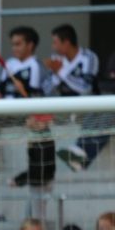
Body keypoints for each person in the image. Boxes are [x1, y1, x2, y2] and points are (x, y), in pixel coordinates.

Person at [0, 26, 55, 189]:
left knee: (41, 143)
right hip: (5, 115)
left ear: (30, 45)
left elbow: (36, 97)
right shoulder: (8, 64)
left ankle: (34, 176)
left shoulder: (36, 66)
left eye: (18, 44)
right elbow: (1, 89)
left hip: (28, 117)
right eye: (13, 44)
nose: (14, 48)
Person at [44, 24, 102, 171]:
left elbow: (86, 89)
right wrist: (57, 74)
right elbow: (45, 89)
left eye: (55, 42)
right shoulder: (56, 59)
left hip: (87, 108)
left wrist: (61, 72)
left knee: (106, 116)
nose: (53, 47)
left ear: (67, 42)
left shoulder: (89, 57)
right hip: (62, 109)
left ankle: (79, 155)